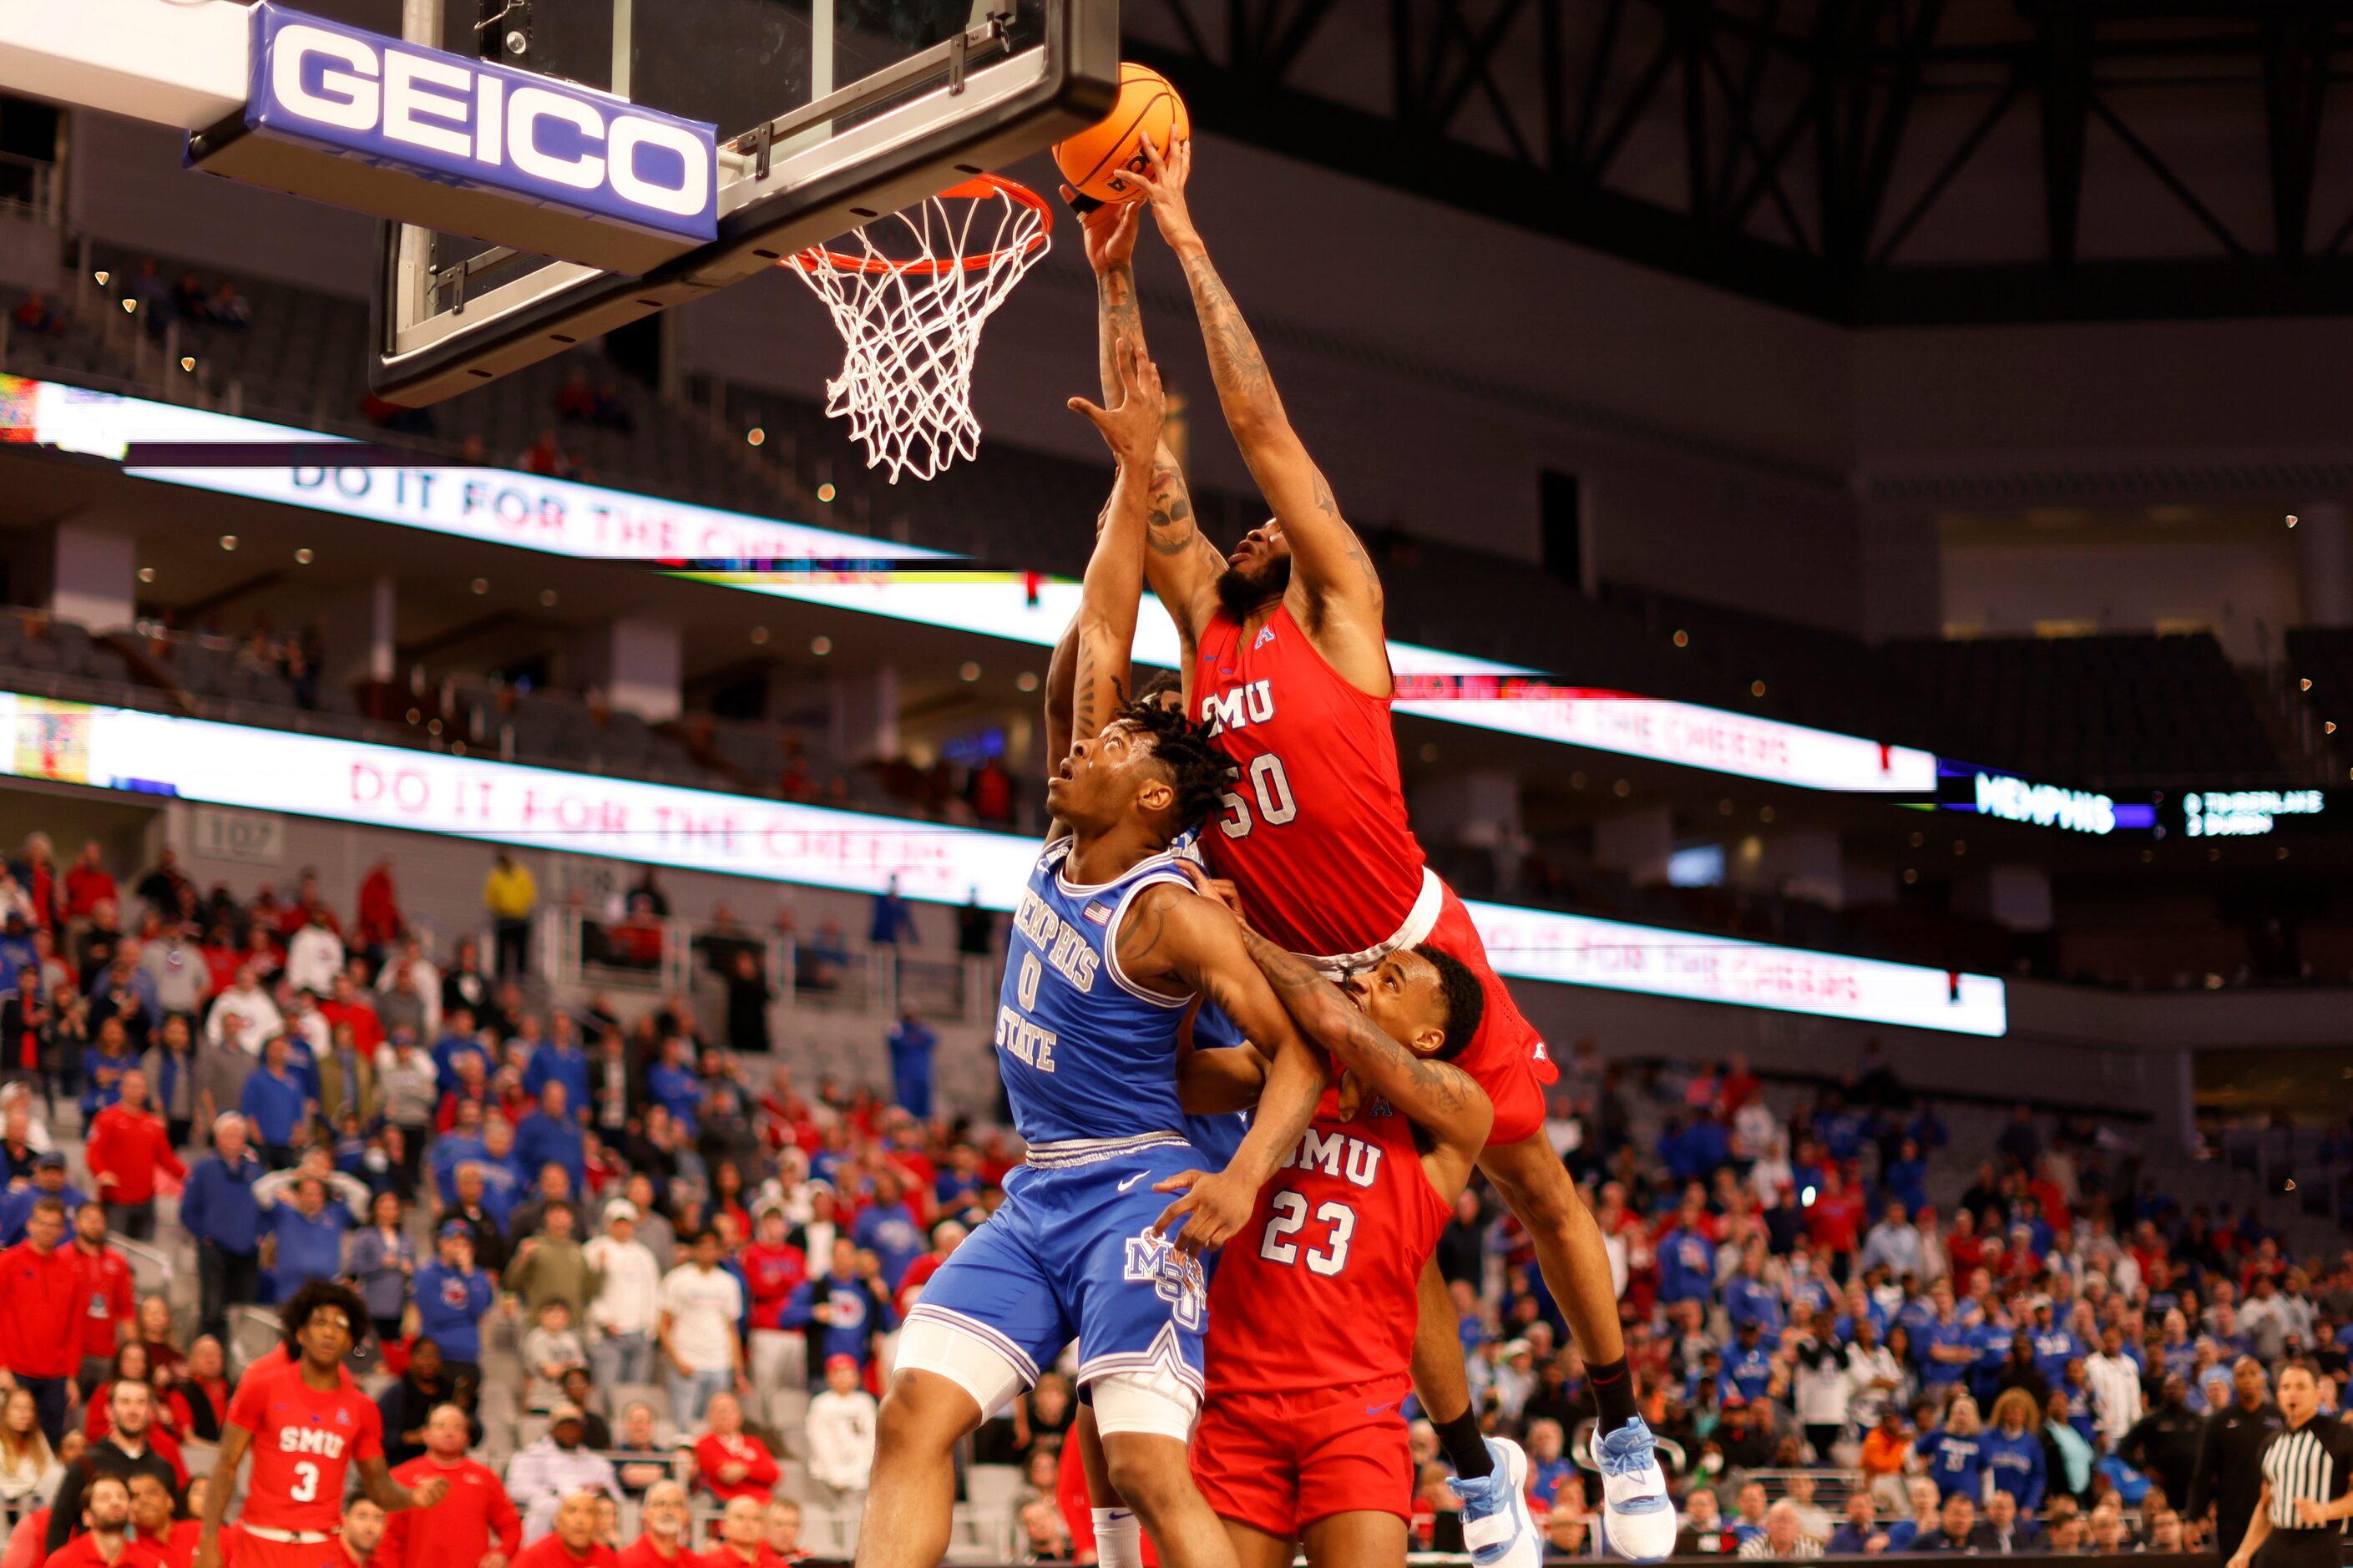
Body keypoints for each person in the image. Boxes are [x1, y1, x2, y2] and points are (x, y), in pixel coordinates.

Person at [1093, 139, 1669, 1560]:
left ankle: (1620, 1423)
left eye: (1254, 523)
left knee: (1535, 1181)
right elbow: (1145, 441)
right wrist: (1109, 276)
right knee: (1384, 1223)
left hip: (1411, 945)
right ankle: (1475, 1467)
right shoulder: (1202, 623)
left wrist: (1184, 242)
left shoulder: (1336, 605)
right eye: (1220, 527)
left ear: (1291, 543)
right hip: (1299, 978)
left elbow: (1254, 421)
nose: (1228, 526)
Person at [859, 340, 1329, 1568]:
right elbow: (1101, 623)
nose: (1078, 744)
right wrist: (1131, 474)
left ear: (1159, 797)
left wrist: (1236, 1182)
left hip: (1136, 1188)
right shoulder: (1077, 816)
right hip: (1043, 1183)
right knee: (911, 1413)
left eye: (1112, 744)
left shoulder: (1171, 911)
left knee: (1145, 1466)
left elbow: (1294, 1058)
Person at [1181, 920, 1498, 1568]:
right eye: (1369, 971)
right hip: (1238, 1396)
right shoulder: (1286, 1073)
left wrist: (1234, 936)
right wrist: (1187, 968)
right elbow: (1181, 1080)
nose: (1361, 979)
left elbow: (1345, 1030)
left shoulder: (1455, 1110)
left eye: (1391, 981)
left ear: (1428, 1037)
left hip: (1356, 1408)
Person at [195, 1282, 448, 1568]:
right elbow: (226, 1466)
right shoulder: (261, 1388)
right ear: (300, 1333)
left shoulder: (362, 1408)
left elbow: (377, 1485)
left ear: (351, 1340)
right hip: (260, 1543)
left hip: (321, 1549)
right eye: (320, 1322)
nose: (329, 1332)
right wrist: (208, 1539)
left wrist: (413, 1497)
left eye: (340, 1325)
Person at [2226, 1361, 2353, 1568]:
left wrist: (2327, 1510)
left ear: (2317, 1393)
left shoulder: (2341, 1435)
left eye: (2301, 1387)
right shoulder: (2270, 1443)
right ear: (2278, 1396)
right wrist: (2244, 1552)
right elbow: (2266, 1504)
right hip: (2277, 1544)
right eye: (2286, 1387)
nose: (2292, 1393)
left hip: (2321, 1545)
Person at [374, 1404, 519, 1568]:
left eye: (457, 1427)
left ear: (467, 1437)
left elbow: (511, 1525)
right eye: (441, 1426)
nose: (449, 1433)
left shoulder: (486, 1478)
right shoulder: (401, 1477)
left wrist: (502, 1553)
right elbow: (387, 1539)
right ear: (425, 1434)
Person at [44, 1379, 178, 1553]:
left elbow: (175, 1527)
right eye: (125, 1402)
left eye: (141, 1402)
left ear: (150, 1412)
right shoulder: (85, 1464)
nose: (133, 1410)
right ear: (109, 1411)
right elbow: (59, 1527)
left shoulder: (164, 1468)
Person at [0, 1196, 82, 1445]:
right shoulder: (8, 1262)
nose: (47, 1228)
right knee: (9, 1442)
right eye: (41, 1222)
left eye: (53, 1224)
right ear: (30, 1225)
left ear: (62, 1230)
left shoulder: (70, 1270)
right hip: (14, 1370)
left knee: (51, 1443)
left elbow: (75, 1327)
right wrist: (1, 1365)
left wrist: (71, 1376)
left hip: (55, 1376)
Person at [2191, 1357, 2285, 1565]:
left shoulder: (2280, 1417)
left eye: (2253, 1373)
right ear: (2233, 1382)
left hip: (2274, 1514)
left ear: (2263, 1379)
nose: (2248, 1379)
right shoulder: (2219, 1421)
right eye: (2241, 1375)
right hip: (2232, 1516)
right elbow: (2204, 1471)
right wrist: (2194, 1516)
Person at [87, 1071, 183, 1241]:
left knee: (145, 1255)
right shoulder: (107, 1119)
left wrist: (188, 1177)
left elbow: (167, 1159)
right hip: (116, 1200)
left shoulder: (153, 1125)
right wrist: (101, 1172)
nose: (138, 1091)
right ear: (122, 1088)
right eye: (133, 1086)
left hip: (146, 1200)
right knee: (115, 1251)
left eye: (141, 1087)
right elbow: (94, 1153)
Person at [503, 1408, 618, 1542]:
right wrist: (557, 1493)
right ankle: (532, 1557)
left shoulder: (597, 1462)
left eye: (575, 1427)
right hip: (551, 1511)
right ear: (552, 1429)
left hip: (590, 1514)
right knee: (544, 1506)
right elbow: (515, 1489)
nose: (570, 1432)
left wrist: (603, 1492)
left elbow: (618, 1497)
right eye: (564, 1427)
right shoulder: (531, 1455)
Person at [584, 1201, 660, 1388]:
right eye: (617, 1223)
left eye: (627, 1223)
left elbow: (653, 1291)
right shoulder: (593, 1250)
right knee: (607, 1389)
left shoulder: (644, 1255)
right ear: (608, 1223)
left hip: (639, 1334)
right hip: (607, 1334)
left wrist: (650, 1326)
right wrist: (603, 1319)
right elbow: (587, 1292)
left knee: (636, 1391)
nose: (622, 1228)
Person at [413, 1222, 496, 1378]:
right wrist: (464, 1316)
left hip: (467, 1354)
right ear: (442, 1243)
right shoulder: (426, 1274)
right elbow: (434, 1313)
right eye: (453, 1242)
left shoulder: (477, 1277)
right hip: (435, 1356)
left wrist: (468, 1275)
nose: (459, 1248)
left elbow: (478, 1310)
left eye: (464, 1244)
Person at [377, 1339, 465, 1469]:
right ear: (411, 1360)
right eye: (423, 1356)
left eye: (434, 1356)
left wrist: (462, 1419)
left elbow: (476, 1434)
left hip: (447, 1467)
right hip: (403, 1465)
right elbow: (377, 1436)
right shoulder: (396, 1393)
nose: (429, 1362)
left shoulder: (452, 1392)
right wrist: (408, 1438)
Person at [803, 1355, 876, 1511]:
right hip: (827, 1476)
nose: (843, 1377)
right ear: (829, 1377)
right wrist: (834, 1474)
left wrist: (864, 1469)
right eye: (838, 1373)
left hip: (861, 1474)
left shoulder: (865, 1402)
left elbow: (871, 1438)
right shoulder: (821, 1403)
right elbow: (819, 1439)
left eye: (848, 1372)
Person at [39, 1473, 147, 1568]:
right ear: (87, 1517)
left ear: (131, 1513)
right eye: (104, 1498)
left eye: (121, 1497)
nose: (115, 1502)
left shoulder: (150, 1563)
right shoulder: (61, 1563)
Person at [691, 1393, 778, 1507]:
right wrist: (752, 1468)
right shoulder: (703, 1444)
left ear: (739, 1416)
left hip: (762, 1504)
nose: (725, 1415)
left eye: (729, 1410)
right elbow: (726, 1475)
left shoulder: (754, 1443)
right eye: (720, 1411)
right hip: (725, 1505)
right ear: (710, 1416)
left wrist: (747, 1469)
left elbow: (773, 1473)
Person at [507, 1492, 616, 1568]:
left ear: (597, 1523)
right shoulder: (533, 1557)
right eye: (572, 1511)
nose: (580, 1520)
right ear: (558, 1522)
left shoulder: (608, 1558)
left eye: (589, 1512)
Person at [483, 855, 537, 980]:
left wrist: (521, 908)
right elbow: (490, 896)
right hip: (503, 917)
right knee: (501, 951)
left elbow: (530, 894)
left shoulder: (522, 873)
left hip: (520, 917)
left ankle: (521, 978)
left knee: (521, 950)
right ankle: (500, 978)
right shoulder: (496, 875)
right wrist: (497, 909)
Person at [883, 1012, 935, 1121]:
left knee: (923, 1106)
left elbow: (933, 1039)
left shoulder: (922, 1029)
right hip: (904, 1074)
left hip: (921, 1074)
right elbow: (894, 1040)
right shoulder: (897, 1029)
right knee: (904, 1106)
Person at [1737, 1501, 1821, 1561]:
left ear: (1797, 1527)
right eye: (1778, 1520)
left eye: (1789, 1521)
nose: (1783, 1526)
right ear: (1768, 1525)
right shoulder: (1751, 1549)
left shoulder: (1812, 1549)